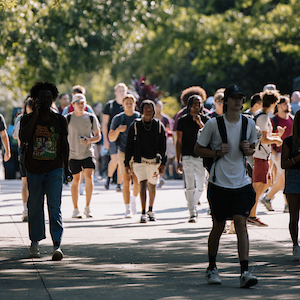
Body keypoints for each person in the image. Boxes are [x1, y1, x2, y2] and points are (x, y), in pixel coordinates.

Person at [194, 84, 258, 288]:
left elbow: (253, 149)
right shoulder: (214, 125)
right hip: (218, 182)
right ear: (226, 101)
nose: (238, 101)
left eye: (241, 98)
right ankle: (212, 267)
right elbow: (197, 148)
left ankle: (244, 272)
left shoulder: (249, 124)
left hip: (241, 182)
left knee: (241, 222)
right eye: (234, 98)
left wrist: (249, 148)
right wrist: (215, 153)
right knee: (218, 225)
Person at [19, 81, 71, 260]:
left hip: (55, 168)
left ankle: (57, 244)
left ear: (53, 99)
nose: (46, 100)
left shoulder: (59, 120)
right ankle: (35, 242)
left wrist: (67, 167)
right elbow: (24, 137)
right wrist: (34, 114)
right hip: (34, 169)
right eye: (42, 98)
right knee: (34, 206)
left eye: (49, 97)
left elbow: (64, 144)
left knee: (54, 206)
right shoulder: (27, 118)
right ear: (35, 100)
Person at [125, 100, 166, 223]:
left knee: (152, 186)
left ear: (154, 111)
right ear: (141, 111)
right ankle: (143, 212)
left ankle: (150, 210)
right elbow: (129, 145)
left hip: (154, 161)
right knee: (142, 184)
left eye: (150, 109)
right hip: (139, 160)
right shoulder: (135, 126)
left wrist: (163, 163)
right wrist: (127, 163)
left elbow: (163, 147)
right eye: (146, 109)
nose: (148, 112)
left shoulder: (159, 126)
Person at [248, 90, 283, 227]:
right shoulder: (263, 117)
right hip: (259, 156)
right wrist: (277, 140)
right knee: (258, 187)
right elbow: (263, 139)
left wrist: (276, 136)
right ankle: (251, 215)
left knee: (266, 183)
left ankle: (250, 213)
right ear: (274, 103)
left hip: (262, 155)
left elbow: (265, 136)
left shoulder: (263, 116)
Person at [66, 94, 101, 218]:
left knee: (89, 177)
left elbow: (98, 136)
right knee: (76, 180)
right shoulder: (67, 118)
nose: (81, 105)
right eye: (78, 103)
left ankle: (87, 207)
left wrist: (89, 140)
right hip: (73, 154)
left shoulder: (91, 118)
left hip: (87, 152)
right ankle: (75, 209)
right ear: (73, 104)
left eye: (83, 103)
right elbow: (61, 137)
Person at [176, 95, 209, 223]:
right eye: (194, 104)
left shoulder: (206, 119)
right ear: (189, 105)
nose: (196, 106)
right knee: (190, 185)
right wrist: (178, 160)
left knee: (201, 185)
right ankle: (192, 212)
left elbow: (209, 135)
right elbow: (178, 141)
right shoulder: (182, 120)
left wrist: (199, 122)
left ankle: (193, 204)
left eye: (199, 103)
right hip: (187, 155)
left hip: (201, 156)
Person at [108, 94, 140, 218]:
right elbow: (111, 137)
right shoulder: (118, 119)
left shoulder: (138, 117)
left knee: (137, 181)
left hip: (137, 153)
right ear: (123, 104)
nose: (129, 104)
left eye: (131, 102)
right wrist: (118, 130)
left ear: (134, 104)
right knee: (126, 180)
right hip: (123, 152)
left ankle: (133, 199)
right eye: (126, 102)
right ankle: (127, 209)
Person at [261, 95, 293, 213]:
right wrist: (273, 154)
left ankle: (268, 198)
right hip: (277, 154)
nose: (288, 106)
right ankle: (287, 204)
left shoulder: (292, 119)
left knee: (282, 179)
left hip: (289, 154)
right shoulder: (273, 121)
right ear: (278, 106)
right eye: (285, 104)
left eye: (288, 103)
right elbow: (267, 138)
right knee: (286, 177)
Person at [281, 110, 300, 261]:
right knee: (294, 216)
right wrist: (296, 159)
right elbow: (283, 164)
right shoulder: (289, 141)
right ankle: (295, 245)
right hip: (293, 178)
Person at [102, 83, 127, 191]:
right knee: (115, 159)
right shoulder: (110, 105)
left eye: (123, 90)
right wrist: (105, 139)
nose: (121, 92)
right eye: (119, 90)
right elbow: (104, 124)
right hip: (112, 136)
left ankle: (118, 184)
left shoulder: (128, 105)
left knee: (122, 160)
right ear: (115, 92)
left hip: (124, 138)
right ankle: (109, 178)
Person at [13, 97, 34, 222]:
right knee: (30, 182)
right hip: (34, 155)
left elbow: (18, 139)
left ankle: (27, 209)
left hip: (26, 154)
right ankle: (28, 209)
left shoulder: (21, 119)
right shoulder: (22, 119)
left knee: (26, 182)